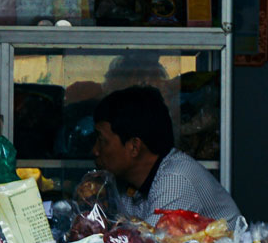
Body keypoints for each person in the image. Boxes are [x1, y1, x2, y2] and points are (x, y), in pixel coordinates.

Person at [90, 85, 239, 224]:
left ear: (134, 147)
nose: (95, 150)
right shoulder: (128, 185)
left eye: (102, 141)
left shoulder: (175, 179)